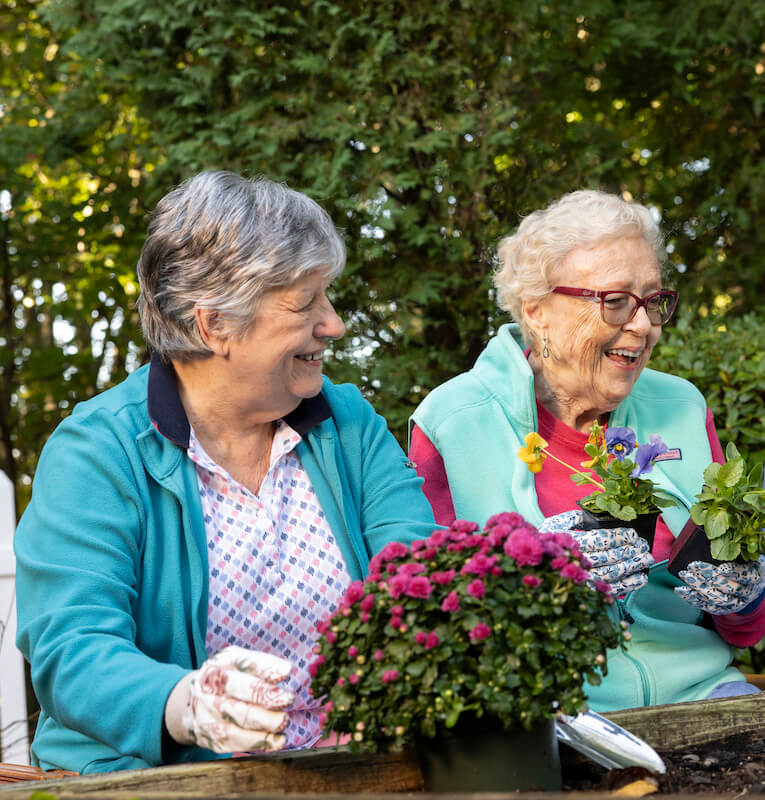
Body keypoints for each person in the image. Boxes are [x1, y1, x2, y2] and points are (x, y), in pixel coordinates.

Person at [15, 171, 436, 774]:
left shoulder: (347, 423)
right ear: (215, 326)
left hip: (355, 772)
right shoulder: (98, 452)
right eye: (305, 302)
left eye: (328, 295)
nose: (334, 323)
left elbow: (418, 571)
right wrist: (183, 704)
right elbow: (72, 650)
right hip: (157, 783)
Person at [410, 189, 765, 711]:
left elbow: (743, 629)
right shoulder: (454, 421)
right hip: (551, 710)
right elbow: (426, 614)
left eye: (652, 300)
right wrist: (532, 582)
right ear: (537, 311)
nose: (643, 325)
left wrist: (747, 594)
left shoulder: (681, 406)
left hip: (704, 689)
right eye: (615, 301)